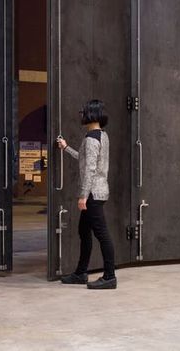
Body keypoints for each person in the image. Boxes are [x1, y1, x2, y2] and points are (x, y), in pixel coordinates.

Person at [57, 99, 117, 290]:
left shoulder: (91, 139)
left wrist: (83, 196)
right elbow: (85, 160)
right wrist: (66, 148)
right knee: (84, 231)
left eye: (83, 112)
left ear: (91, 114)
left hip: (93, 193)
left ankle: (109, 277)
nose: (81, 115)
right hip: (98, 190)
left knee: (102, 235)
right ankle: (80, 273)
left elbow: (90, 169)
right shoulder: (102, 135)